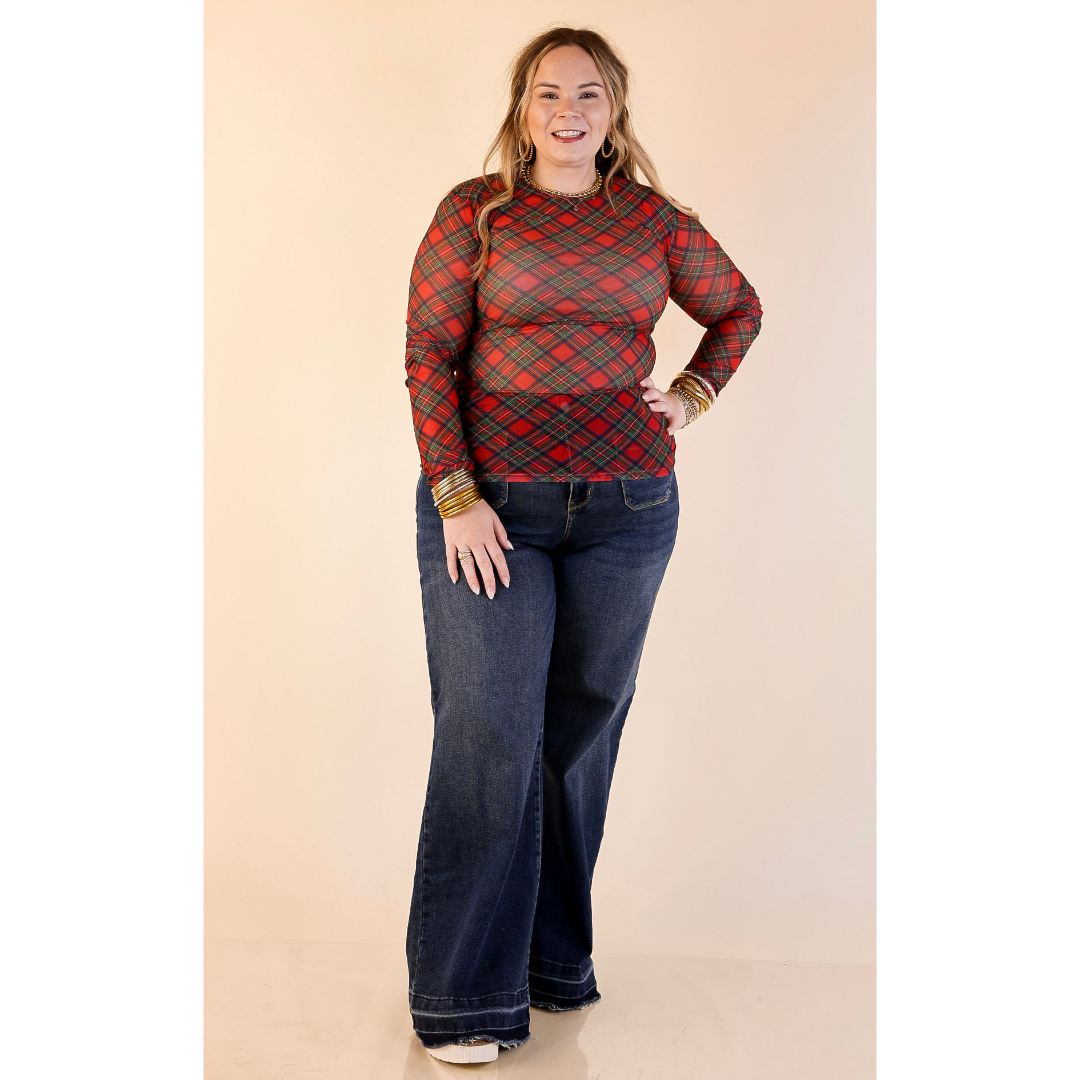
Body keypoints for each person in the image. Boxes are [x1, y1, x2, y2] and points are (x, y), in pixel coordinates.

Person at [403, 25, 762, 1065]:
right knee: (490, 737)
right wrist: (455, 493)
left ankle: (553, 964)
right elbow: (428, 354)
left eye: (589, 94)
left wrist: (691, 395)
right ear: (523, 109)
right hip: (491, 513)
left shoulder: (654, 222)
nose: (569, 110)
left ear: (615, 112)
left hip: (628, 511)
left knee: (580, 738)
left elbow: (737, 311)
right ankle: (466, 999)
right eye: (549, 92)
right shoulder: (474, 214)